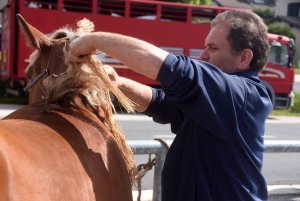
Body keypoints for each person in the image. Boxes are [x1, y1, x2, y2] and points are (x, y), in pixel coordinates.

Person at [68, 10, 273, 201]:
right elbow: (163, 103)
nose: (203, 55)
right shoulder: (218, 100)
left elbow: (173, 69)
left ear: (243, 58)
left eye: (213, 48)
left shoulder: (241, 94)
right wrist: (117, 83)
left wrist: (94, 41)